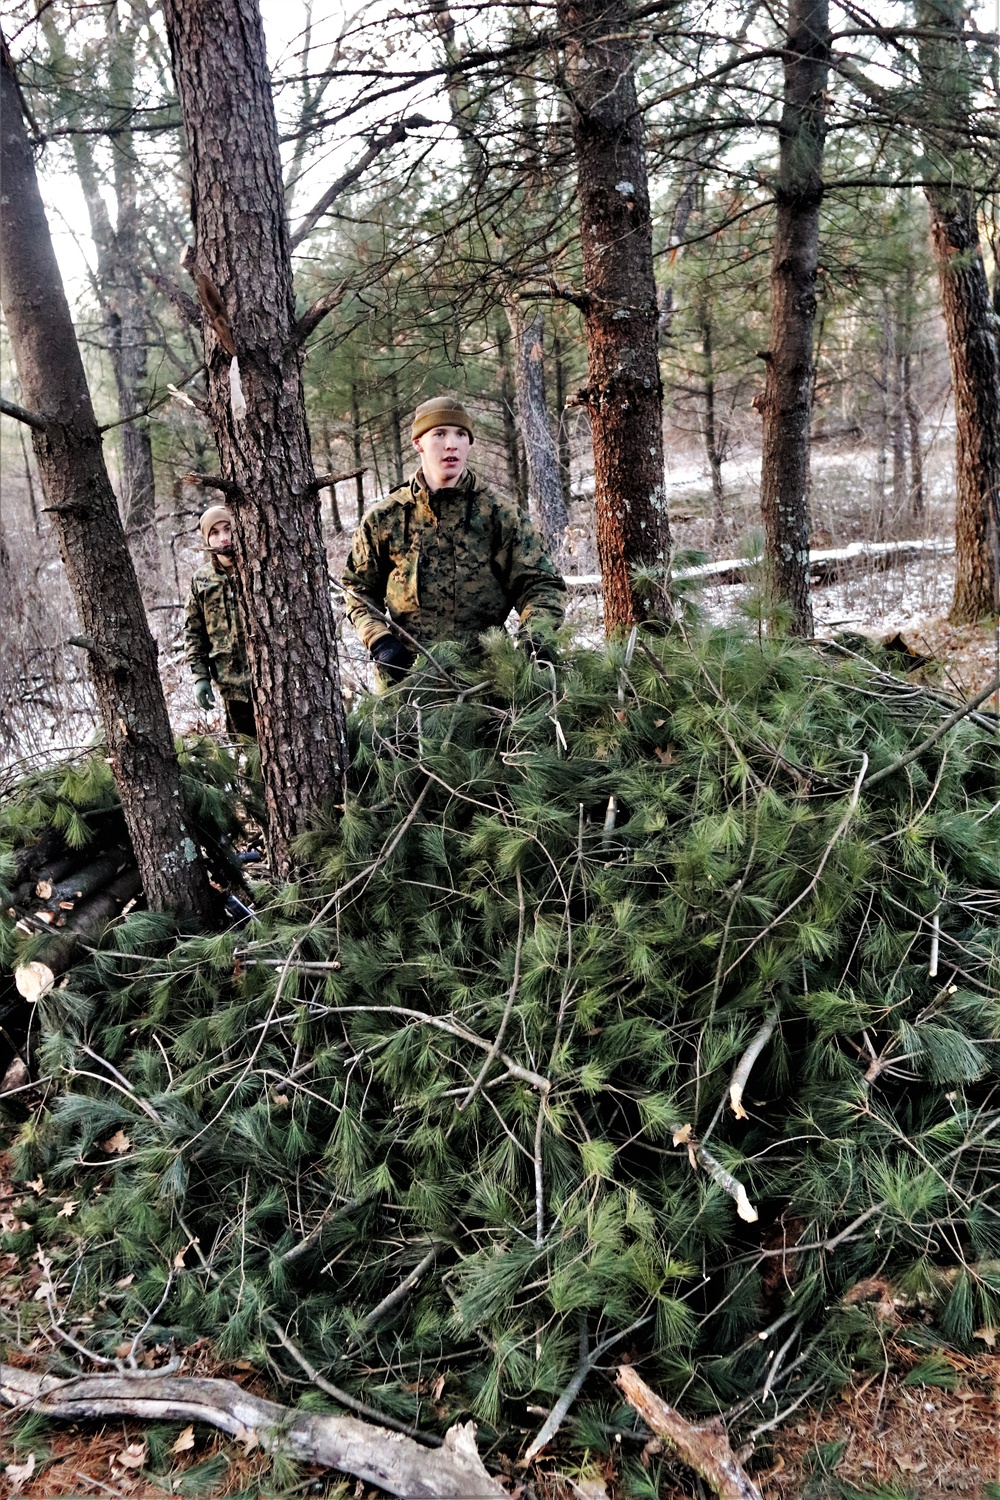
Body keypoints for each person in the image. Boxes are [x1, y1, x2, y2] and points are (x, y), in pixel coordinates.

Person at [342, 396, 566, 683]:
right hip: (407, 678)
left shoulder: (500, 514)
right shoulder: (386, 517)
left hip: (486, 680)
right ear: (418, 443)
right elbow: (358, 588)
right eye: (439, 434)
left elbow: (541, 584)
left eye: (461, 434)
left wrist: (533, 638)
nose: (452, 444)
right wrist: (381, 642)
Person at [183, 504, 256, 737]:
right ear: (207, 538)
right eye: (214, 533)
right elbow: (194, 632)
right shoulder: (202, 580)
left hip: (270, 682)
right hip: (231, 687)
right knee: (250, 756)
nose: (223, 538)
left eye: (228, 529)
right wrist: (200, 677)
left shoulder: (259, 568)